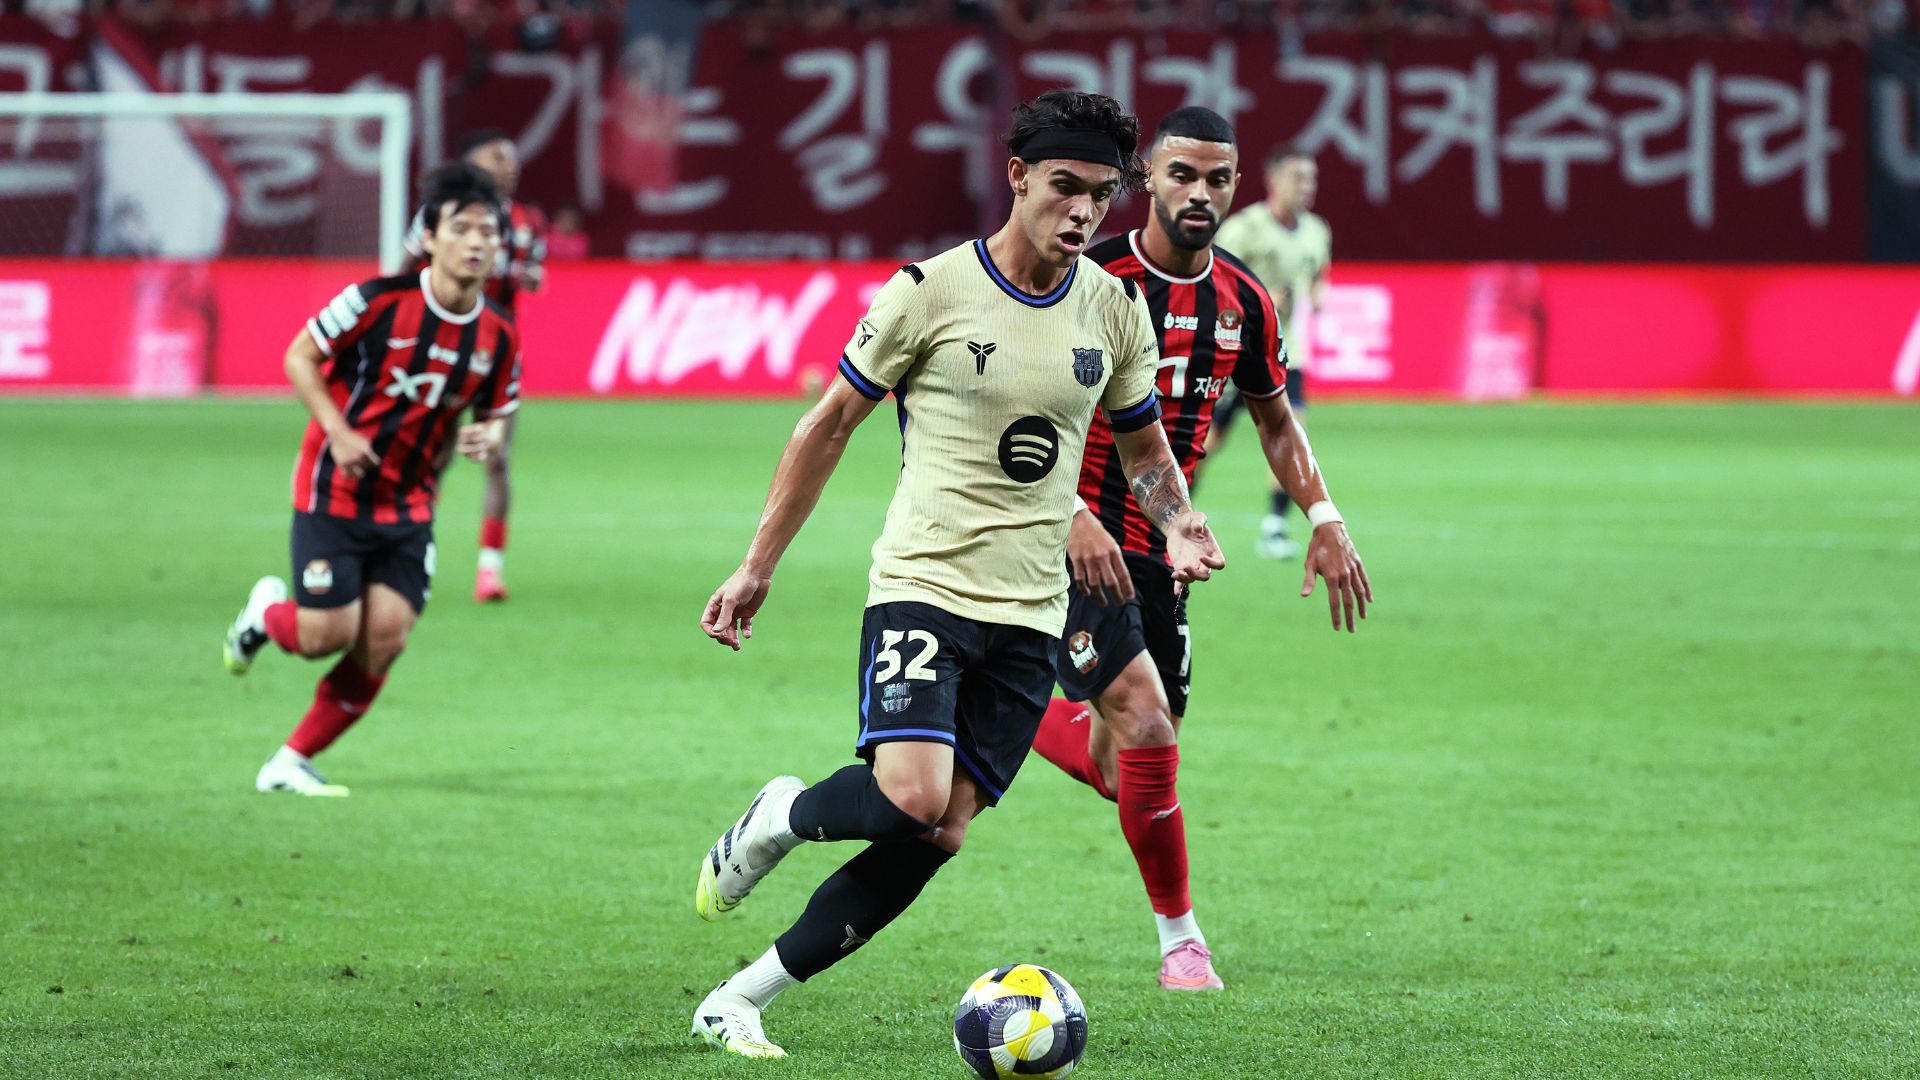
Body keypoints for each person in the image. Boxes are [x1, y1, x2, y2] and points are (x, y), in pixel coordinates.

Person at [686, 89, 1226, 1060]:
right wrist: (757, 566)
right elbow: (826, 427)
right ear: (1017, 176)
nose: (1081, 214)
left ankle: (740, 997)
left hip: (1032, 613)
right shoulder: (927, 293)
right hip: (926, 584)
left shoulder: (1112, 309)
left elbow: (1143, 451)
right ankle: (781, 815)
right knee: (908, 796)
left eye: (1100, 197)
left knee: (941, 831)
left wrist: (1178, 522)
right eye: (1063, 188)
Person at [1030, 107, 1372, 993]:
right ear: (1148, 178)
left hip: (1164, 544)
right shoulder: (1086, 277)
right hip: (1066, 533)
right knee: (1144, 721)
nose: (1200, 194)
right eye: (1182, 174)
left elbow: (1276, 422)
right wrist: (1063, 506)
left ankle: (1012, 703)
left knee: (1126, 764)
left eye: (1218, 179)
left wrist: (1325, 515)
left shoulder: (1244, 300)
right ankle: (1182, 940)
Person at [224, 162, 521, 797]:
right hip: (334, 491)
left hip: (410, 502)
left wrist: (485, 436)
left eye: (488, 232)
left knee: (384, 638)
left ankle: (289, 760)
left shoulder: (497, 334)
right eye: (462, 228)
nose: (476, 242)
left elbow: (498, 412)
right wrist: (336, 427)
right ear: (430, 236)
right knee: (321, 635)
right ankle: (262, 616)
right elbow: (299, 355)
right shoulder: (375, 301)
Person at [406, 129, 548, 602]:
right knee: (434, 454)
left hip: (496, 354)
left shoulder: (529, 221)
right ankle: (415, 549)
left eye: (511, 157)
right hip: (440, 351)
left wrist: (525, 276)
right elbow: (404, 270)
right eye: (496, 156)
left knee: (497, 456)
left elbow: (530, 274)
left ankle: (490, 569)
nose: (509, 164)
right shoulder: (441, 219)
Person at [1212, 145, 1330, 559]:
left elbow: (1317, 277)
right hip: (1234, 350)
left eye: (1311, 179)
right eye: (1299, 178)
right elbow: (1213, 282)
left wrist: (1315, 296)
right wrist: (1259, 299)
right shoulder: (1245, 229)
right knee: (1206, 442)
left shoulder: (1317, 231)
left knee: (1292, 431)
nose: (1308, 187)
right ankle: (1168, 518)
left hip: (1284, 353)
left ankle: (1275, 527)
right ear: (1275, 180)